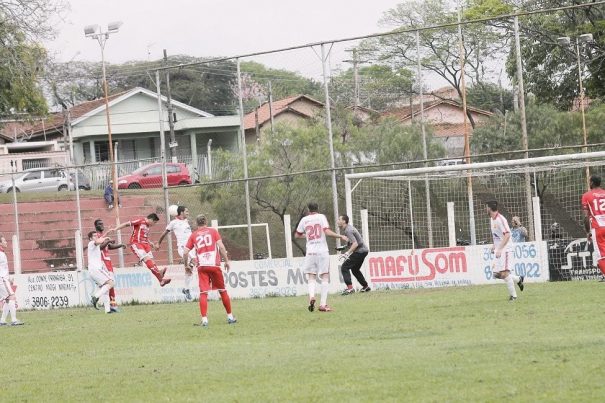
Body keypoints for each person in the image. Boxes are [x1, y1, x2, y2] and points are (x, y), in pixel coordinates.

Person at [183, 214, 236, 327]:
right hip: (214, 265)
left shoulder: (194, 235)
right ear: (206, 221)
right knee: (222, 290)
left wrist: (186, 265)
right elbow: (221, 247)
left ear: (197, 223)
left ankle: (205, 319)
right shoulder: (213, 231)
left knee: (203, 293)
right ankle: (230, 317)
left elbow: (185, 252)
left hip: (202, 266)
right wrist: (226, 261)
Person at [294, 202, 343, 312]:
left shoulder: (304, 220)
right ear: (318, 208)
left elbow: (297, 235)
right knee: (324, 276)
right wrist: (340, 236)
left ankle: (311, 296)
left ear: (308, 209)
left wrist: (307, 236)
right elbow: (327, 231)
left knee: (311, 276)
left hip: (310, 252)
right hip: (322, 251)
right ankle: (323, 304)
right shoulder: (321, 217)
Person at [110, 213, 171, 287]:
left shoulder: (147, 226)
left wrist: (151, 244)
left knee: (152, 262)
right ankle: (160, 279)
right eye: (154, 222)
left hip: (146, 245)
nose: (154, 224)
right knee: (147, 260)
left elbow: (145, 236)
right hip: (137, 244)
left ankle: (159, 274)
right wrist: (115, 229)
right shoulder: (140, 221)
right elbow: (127, 224)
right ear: (151, 219)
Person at [486, 201, 524, 301]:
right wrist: (495, 245)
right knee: (496, 274)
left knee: (504, 274)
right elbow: (498, 235)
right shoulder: (491, 219)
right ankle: (518, 279)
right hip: (500, 249)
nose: (486, 209)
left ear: (490, 208)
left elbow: (507, 235)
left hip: (506, 249)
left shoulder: (500, 219)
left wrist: (500, 248)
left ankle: (514, 296)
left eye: (487, 207)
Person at [156, 206, 195, 300]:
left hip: (192, 247)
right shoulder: (173, 223)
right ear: (181, 212)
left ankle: (186, 289)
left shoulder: (186, 222)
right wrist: (158, 243)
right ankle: (188, 288)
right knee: (194, 261)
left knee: (190, 269)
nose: (188, 213)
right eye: (186, 211)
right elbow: (165, 233)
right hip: (183, 248)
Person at [94, 219, 126, 311]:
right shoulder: (96, 236)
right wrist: (108, 241)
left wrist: (120, 245)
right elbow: (100, 247)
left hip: (108, 261)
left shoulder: (103, 236)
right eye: (100, 224)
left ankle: (108, 305)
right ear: (96, 226)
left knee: (109, 284)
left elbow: (109, 247)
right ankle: (111, 303)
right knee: (110, 283)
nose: (102, 225)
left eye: (102, 223)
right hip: (103, 262)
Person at [337, 214, 371, 295]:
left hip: (360, 251)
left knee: (344, 267)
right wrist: (344, 247)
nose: (337, 221)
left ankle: (350, 288)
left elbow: (355, 244)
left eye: (339, 219)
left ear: (344, 221)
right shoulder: (348, 228)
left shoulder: (348, 230)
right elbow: (355, 242)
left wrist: (346, 253)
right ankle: (365, 286)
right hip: (363, 251)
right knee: (355, 270)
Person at [581, 175, 605, 279]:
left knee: (601, 256)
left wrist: (588, 232)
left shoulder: (587, 195)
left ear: (591, 183)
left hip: (598, 228)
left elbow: (586, 217)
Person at [87, 231, 117, 313]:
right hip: (96, 269)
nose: (96, 237)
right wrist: (107, 238)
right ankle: (95, 297)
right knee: (111, 283)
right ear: (90, 238)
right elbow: (99, 241)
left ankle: (107, 310)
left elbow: (102, 244)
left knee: (105, 289)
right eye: (94, 236)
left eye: (96, 235)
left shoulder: (96, 246)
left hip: (93, 271)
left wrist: (107, 240)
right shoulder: (91, 243)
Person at [0, 235, 24, 326]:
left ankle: (2, 321)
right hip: (2, 280)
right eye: (4, 240)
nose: (6, 242)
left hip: (3, 279)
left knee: (7, 299)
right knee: (12, 297)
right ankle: (14, 320)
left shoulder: (2, 253)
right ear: (0, 243)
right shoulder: (0, 254)